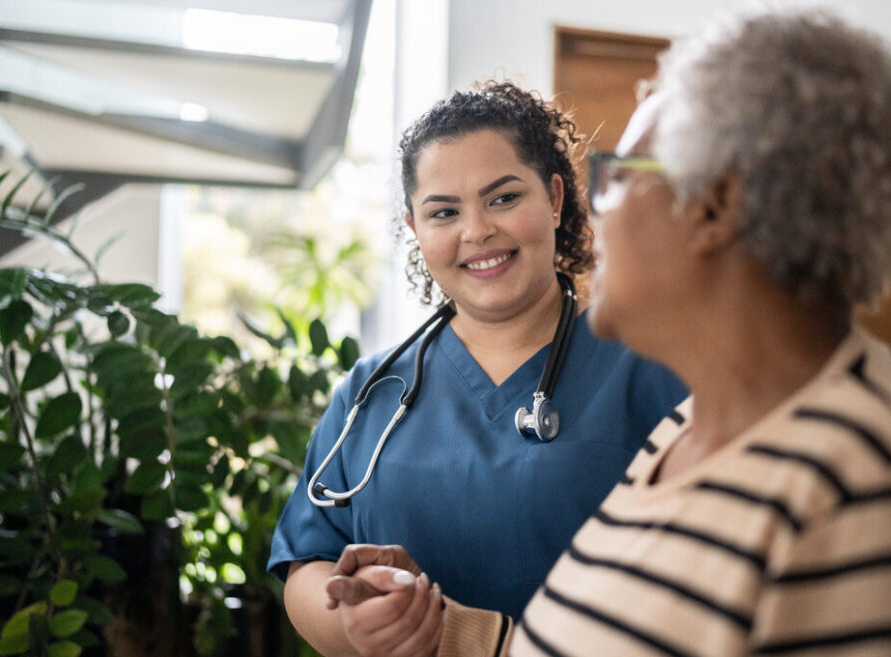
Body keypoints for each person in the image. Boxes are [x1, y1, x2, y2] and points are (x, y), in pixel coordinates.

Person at [334, 8, 891, 656]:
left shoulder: (887, 474)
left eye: (617, 177)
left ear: (713, 208)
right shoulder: (684, 435)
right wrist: (449, 625)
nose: (594, 214)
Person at [267, 80, 688, 657]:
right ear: (416, 231)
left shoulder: (651, 372)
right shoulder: (372, 390)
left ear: (556, 198)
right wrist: (374, 626)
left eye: (504, 198)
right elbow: (307, 565)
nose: (476, 231)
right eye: (443, 212)